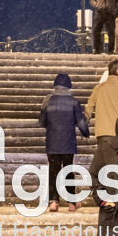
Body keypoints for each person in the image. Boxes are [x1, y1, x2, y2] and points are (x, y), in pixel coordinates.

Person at [39, 73, 90, 211]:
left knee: (53, 171)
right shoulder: (74, 102)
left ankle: (53, 202)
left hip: (52, 143)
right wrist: (86, 133)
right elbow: (81, 123)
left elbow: (41, 122)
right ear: (69, 86)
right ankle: (71, 203)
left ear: (55, 86)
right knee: (68, 171)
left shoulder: (47, 101)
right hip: (68, 142)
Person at [85, 60, 118, 153]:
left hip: (102, 134)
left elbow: (89, 107)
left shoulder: (99, 88)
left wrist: (85, 123)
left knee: (105, 164)